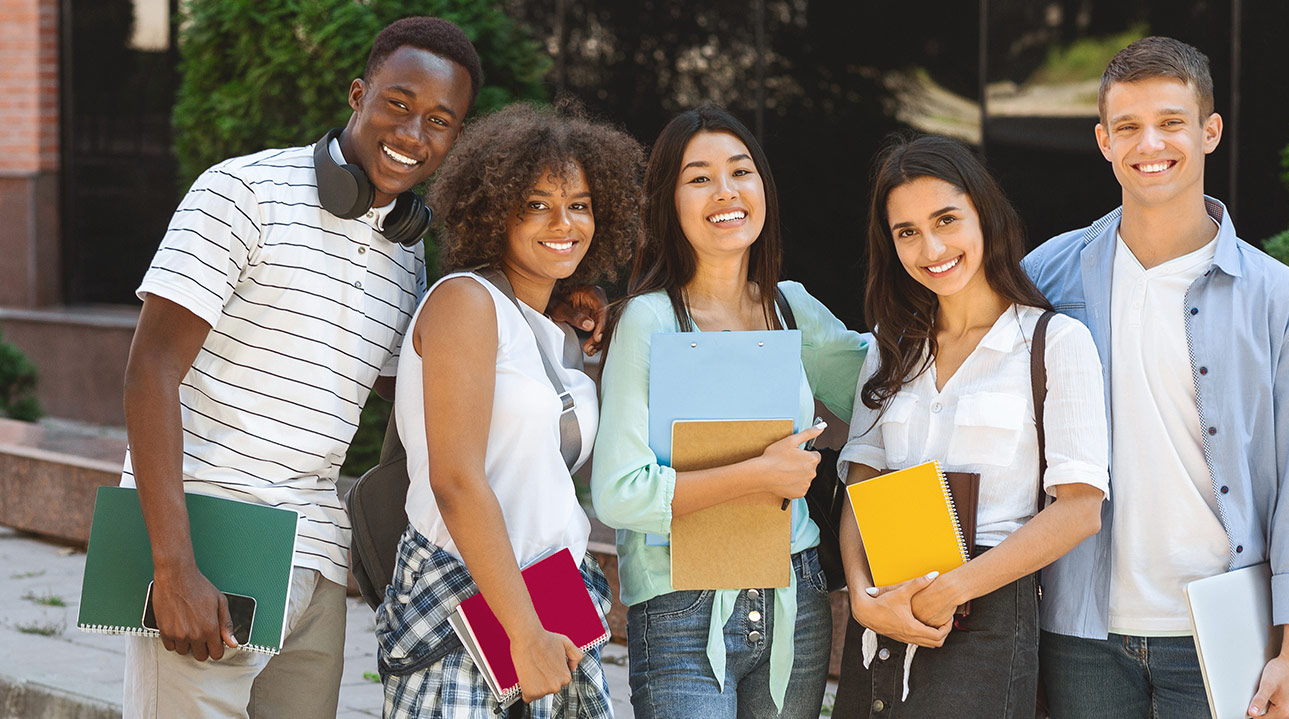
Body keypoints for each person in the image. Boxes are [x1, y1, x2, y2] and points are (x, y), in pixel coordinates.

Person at [119, 17, 602, 719]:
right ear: (358, 93)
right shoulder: (241, 193)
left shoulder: (406, 249)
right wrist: (172, 564)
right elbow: (149, 371)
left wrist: (547, 312)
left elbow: (435, 394)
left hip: (313, 550)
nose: (412, 133)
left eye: (439, 119)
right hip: (209, 533)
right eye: (397, 104)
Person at [1023, 36, 1289, 719]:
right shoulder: (1049, 274)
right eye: (1129, 127)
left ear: (1209, 130)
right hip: (1082, 631)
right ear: (1104, 140)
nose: (1151, 145)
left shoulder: (1283, 301)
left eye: (1171, 122)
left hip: (1225, 631)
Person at [589, 104, 868, 719]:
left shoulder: (789, 310)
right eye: (699, 177)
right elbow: (617, 493)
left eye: (741, 171)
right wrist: (760, 477)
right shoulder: (650, 320)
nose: (726, 192)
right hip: (682, 607)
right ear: (668, 201)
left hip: (795, 595)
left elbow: (887, 386)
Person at [373, 102, 644, 719]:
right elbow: (457, 481)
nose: (563, 222)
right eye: (536, 204)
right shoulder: (464, 304)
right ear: (496, 212)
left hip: (557, 599)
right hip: (471, 604)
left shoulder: (548, 328)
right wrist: (524, 632)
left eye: (578, 204)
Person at [829, 135, 1108, 718]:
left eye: (946, 219)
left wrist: (955, 589)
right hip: (883, 607)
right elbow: (861, 487)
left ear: (985, 214)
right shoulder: (891, 349)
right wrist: (860, 598)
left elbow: (1079, 509)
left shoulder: (1053, 342)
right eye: (907, 232)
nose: (931, 247)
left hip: (986, 613)